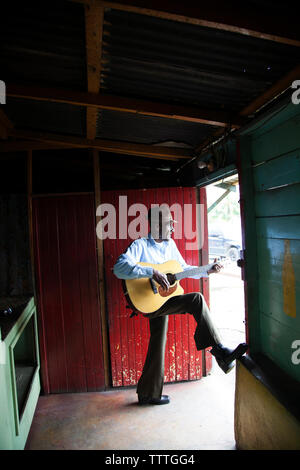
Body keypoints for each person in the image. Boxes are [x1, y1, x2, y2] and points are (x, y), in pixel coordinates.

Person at [113, 205, 248, 405]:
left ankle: (148, 393)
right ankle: (220, 350)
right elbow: (119, 268)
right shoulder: (140, 245)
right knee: (196, 300)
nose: (173, 228)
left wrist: (207, 270)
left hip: (162, 299)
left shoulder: (170, 245)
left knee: (158, 340)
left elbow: (182, 269)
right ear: (157, 225)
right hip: (146, 299)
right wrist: (151, 272)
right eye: (169, 224)